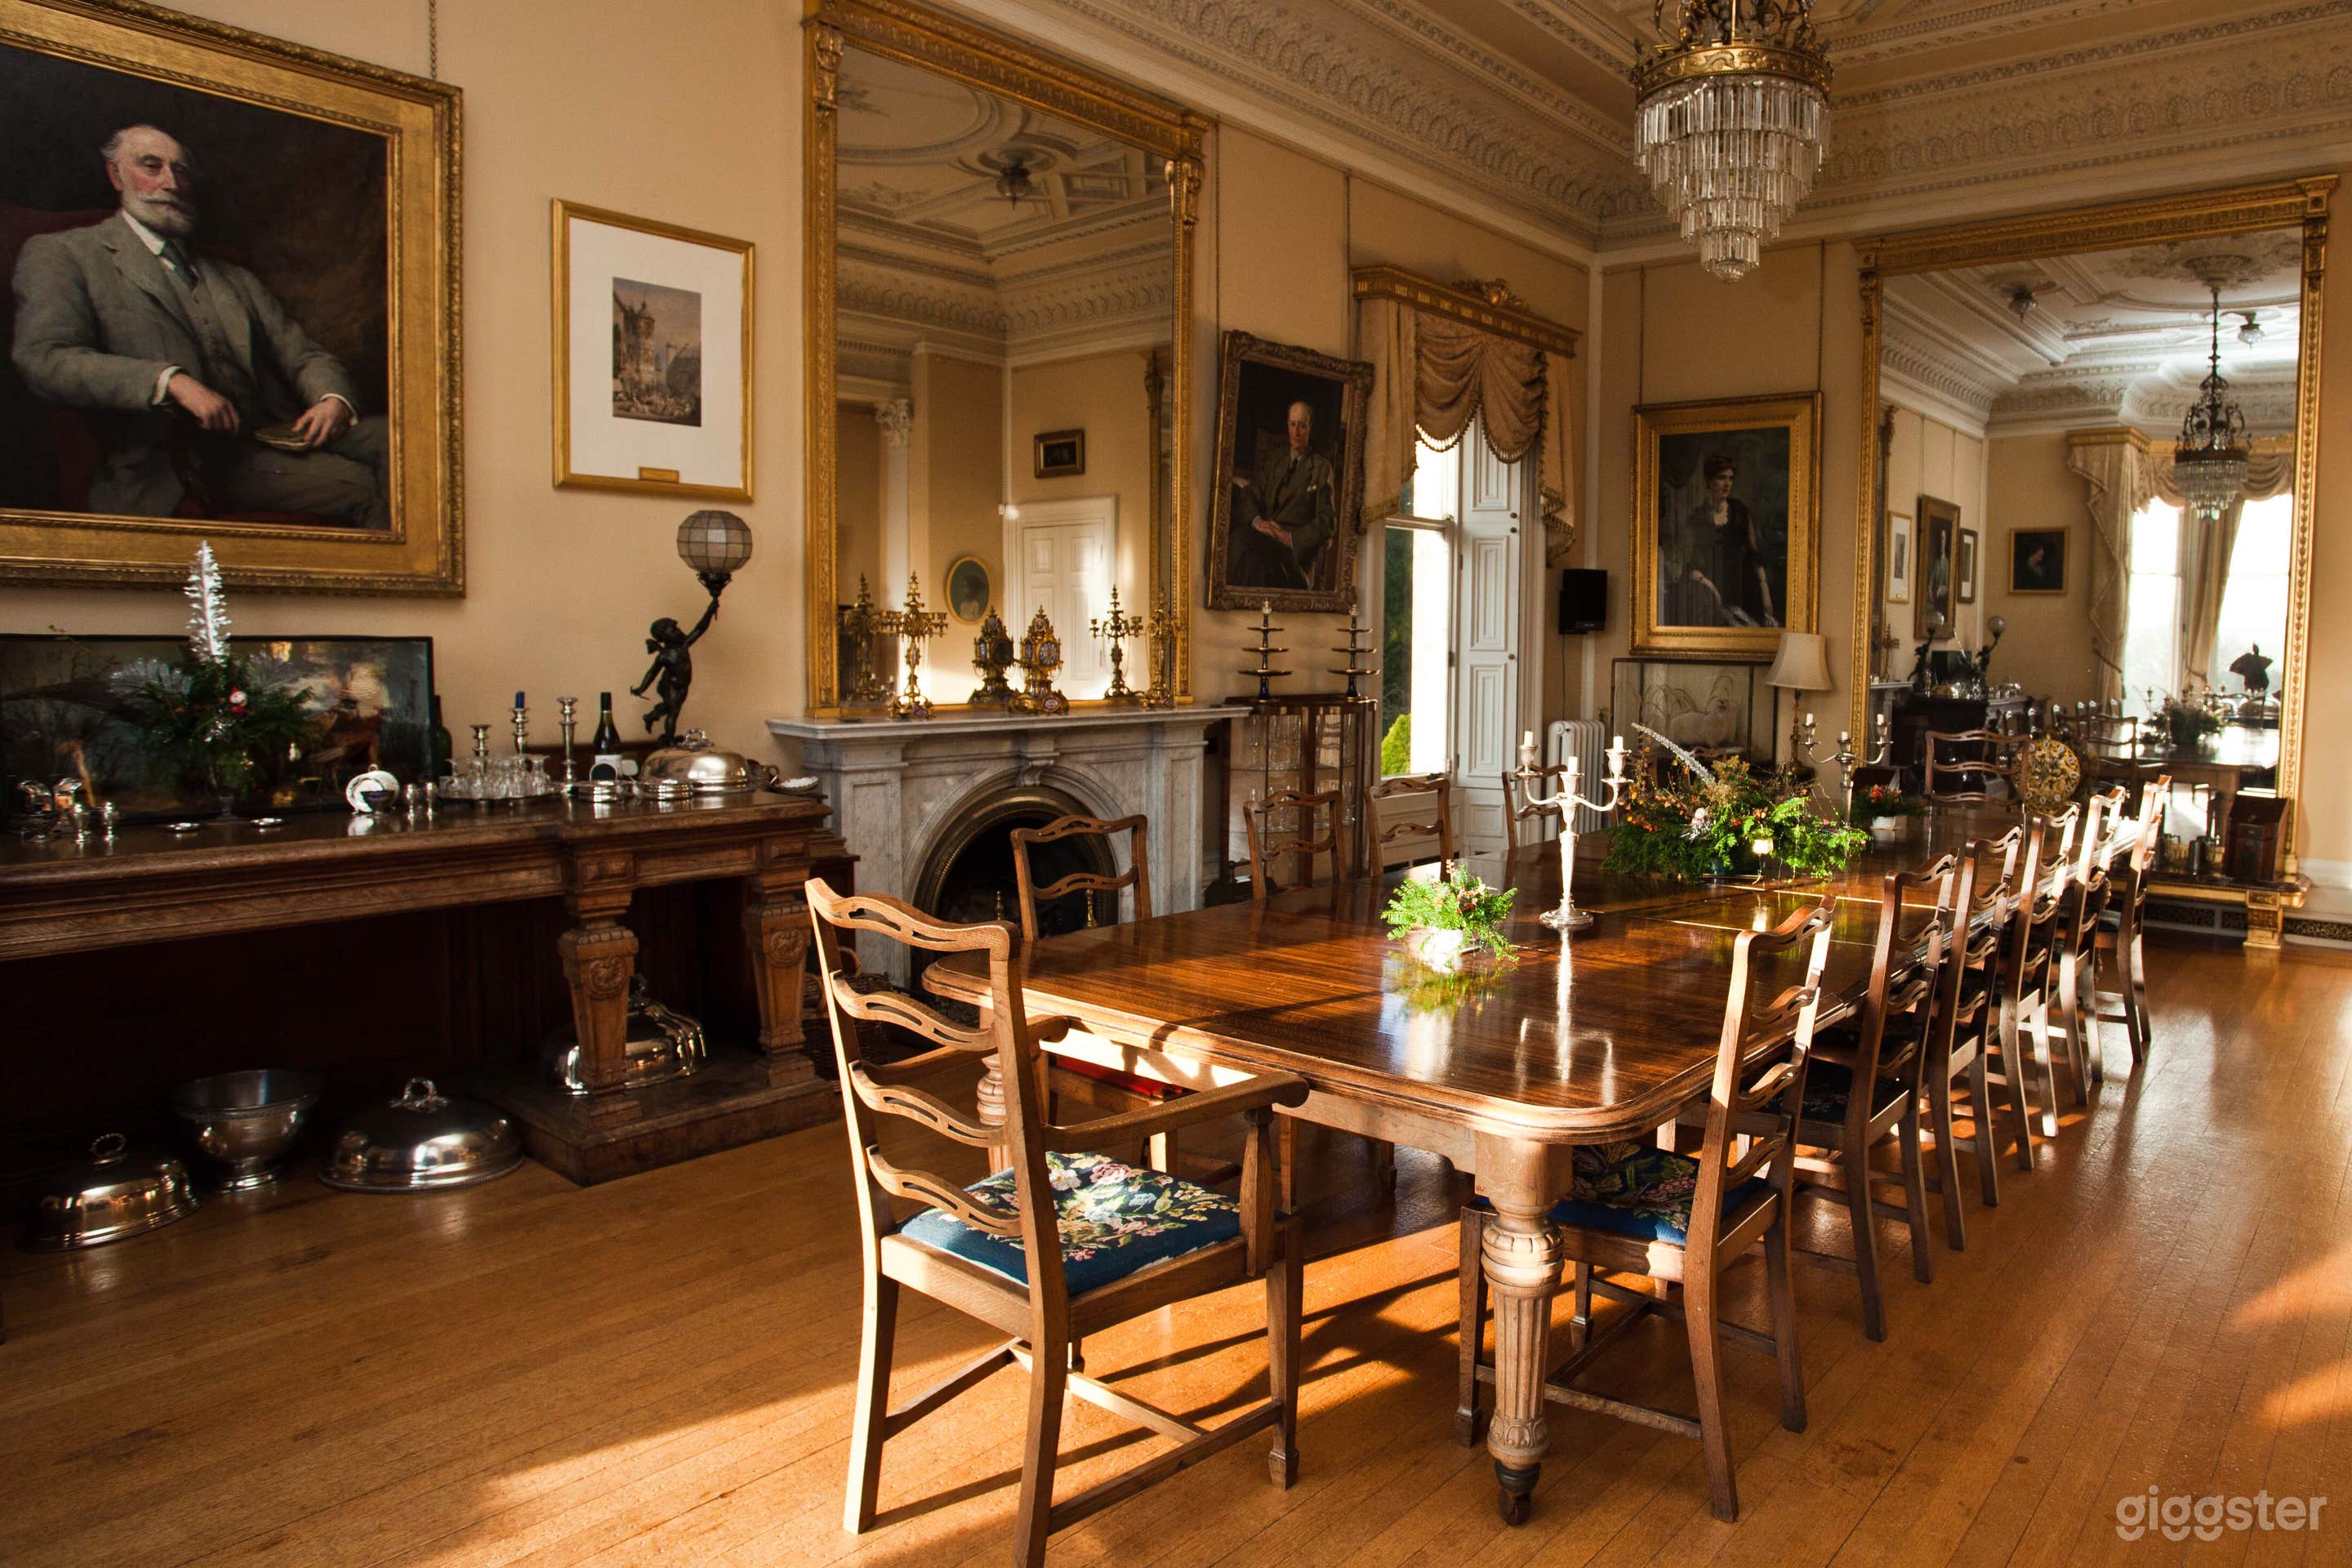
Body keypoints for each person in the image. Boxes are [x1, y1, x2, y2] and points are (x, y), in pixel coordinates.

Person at [10, 124, 390, 526]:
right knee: (365, 488)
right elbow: (45, 359)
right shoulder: (64, 254)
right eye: (151, 166)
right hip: (181, 461)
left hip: (277, 432)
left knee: (407, 445)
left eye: (181, 171)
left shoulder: (234, 276)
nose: (171, 183)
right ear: (116, 175)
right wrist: (168, 381)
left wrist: (332, 400)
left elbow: (305, 354)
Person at [1227, 399, 1335, 592]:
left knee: (1242, 540)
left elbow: (1327, 522)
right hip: (1264, 544)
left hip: (1294, 560)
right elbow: (1249, 494)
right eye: (1292, 424)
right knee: (1250, 556)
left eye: (1302, 425)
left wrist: (1289, 538)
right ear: (1287, 425)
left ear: (1310, 428)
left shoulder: (1321, 468)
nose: (1296, 432)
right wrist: (1257, 522)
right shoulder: (1275, 461)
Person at [1666, 452, 1776, 627]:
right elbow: (1691, 565)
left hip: (1746, 590)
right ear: (1709, 481)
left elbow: (1753, 553)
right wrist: (1709, 587)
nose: (1727, 484)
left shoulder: (1740, 511)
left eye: (1730, 479)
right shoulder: (1697, 517)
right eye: (1721, 478)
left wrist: (1765, 590)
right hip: (1713, 596)